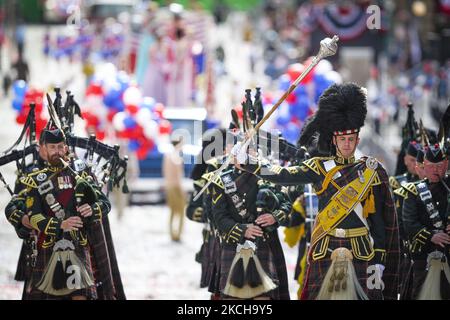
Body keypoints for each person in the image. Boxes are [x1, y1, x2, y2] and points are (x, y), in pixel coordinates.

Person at [239, 83, 400, 300]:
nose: (346, 144)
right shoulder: (318, 167)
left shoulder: (372, 170)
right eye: (342, 139)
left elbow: (380, 218)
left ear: (357, 140)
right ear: (334, 140)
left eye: (351, 139)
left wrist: (380, 257)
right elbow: (282, 174)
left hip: (362, 250)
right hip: (327, 246)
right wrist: (253, 164)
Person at [19, 128, 112, 300]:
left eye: (60, 147)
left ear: (66, 148)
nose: (57, 151)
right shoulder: (35, 180)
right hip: (49, 247)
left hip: (78, 245)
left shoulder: (81, 174)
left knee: (81, 295)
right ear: (44, 149)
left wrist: (92, 209)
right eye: (52, 147)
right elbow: (35, 216)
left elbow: (104, 203)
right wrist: (60, 224)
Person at [402, 143, 450, 300]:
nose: (436, 170)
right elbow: (409, 223)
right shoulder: (413, 191)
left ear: (446, 164)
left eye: (440, 165)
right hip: (423, 257)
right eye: (431, 166)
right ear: (423, 165)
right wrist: (431, 236)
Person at [163, 136, 186, 242]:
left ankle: (172, 232)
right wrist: (182, 190)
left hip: (169, 185)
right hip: (176, 187)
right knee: (180, 211)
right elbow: (178, 176)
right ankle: (178, 233)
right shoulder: (177, 157)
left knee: (172, 211)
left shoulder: (167, 156)